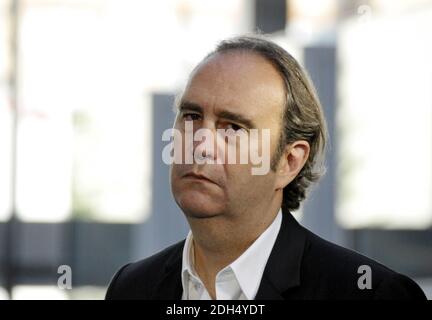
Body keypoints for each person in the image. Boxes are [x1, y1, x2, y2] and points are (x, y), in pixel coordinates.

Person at [106, 35, 426, 300]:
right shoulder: (131, 289)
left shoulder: (371, 295)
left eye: (233, 128)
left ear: (289, 161)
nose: (200, 145)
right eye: (191, 117)